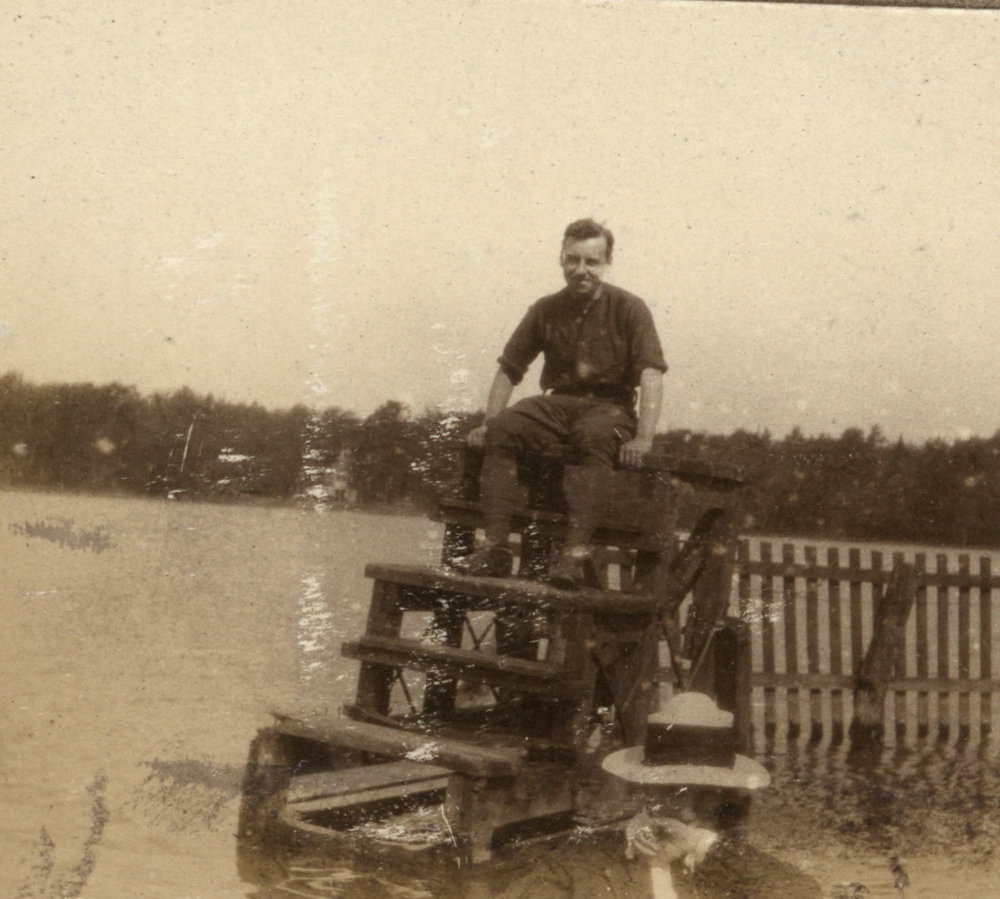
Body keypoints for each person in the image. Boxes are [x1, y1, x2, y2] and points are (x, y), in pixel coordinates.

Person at [454, 218, 668, 588]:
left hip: (611, 408)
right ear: (561, 260)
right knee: (503, 428)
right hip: (557, 405)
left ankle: (574, 554)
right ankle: (496, 547)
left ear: (607, 264)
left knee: (596, 436)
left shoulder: (630, 308)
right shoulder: (545, 309)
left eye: (592, 262)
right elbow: (509, 368)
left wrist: (644, 439)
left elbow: (651, 374)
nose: (581, 271)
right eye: (573, 260)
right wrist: (489, 421)